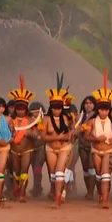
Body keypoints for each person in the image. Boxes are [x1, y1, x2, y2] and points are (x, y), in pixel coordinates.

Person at [83, 73, 112, 209]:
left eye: (106, 110)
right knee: (99, 175)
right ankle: (101, 194)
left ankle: (105, 199)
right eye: (101, 110)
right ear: (98, 110)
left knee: (105, 174)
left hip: (108, 150)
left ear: (108, 109)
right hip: (95, 149)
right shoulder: (92, 121)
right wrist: (96, 138)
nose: (104, 112)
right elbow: (86, 137)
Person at [41, 75, 76, 207]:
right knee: (54, 174)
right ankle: (59, 193)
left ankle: (57, 199)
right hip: (50, 148)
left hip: (64, 148)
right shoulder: (46, 120)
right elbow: (44, 137)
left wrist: (71, 133)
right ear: (51, 107)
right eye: (55, 108)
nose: (57, 110)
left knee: (60, 172)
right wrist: (58, 137)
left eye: (59, 107)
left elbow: (73, 131)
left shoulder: (68, 118)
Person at [6, 78, 40, 202]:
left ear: (26, 109)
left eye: (22, 108)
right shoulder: (10, 120)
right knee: (16, 171)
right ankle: (15, 190)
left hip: (27, 150)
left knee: (24, 171)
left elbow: (38, 135)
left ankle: (22, 193)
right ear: (15, 109)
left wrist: (29, 133)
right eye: (18, 108)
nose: (20, 111)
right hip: (14, 150)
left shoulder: (31, 121)